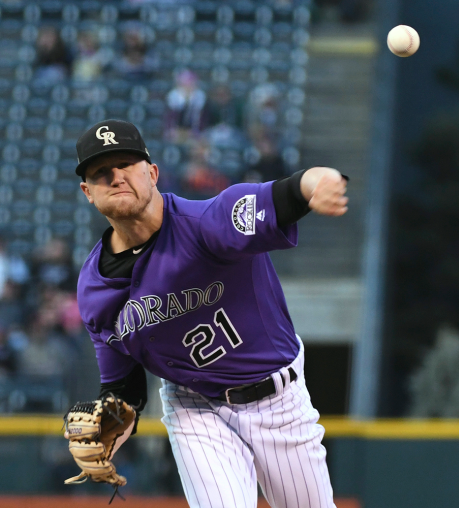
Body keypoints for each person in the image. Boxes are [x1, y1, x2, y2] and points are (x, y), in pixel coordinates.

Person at [71, 119, 345, 507]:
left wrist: (316, 181)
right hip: (194, 405)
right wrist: (109, 427)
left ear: (151, 172)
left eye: (126, 164)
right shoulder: (94, 288)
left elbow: (282, 195)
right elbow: (124, 390)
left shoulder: (207, 224)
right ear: (88, 192)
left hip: (277, 400)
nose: (116, 177)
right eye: (102, 173)